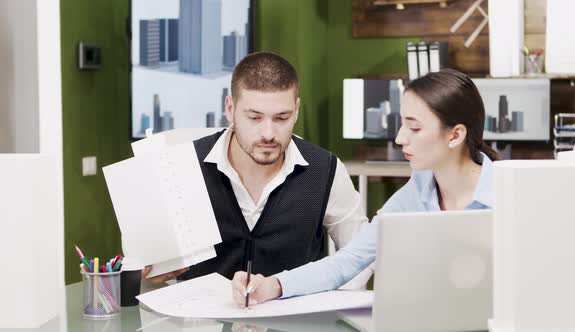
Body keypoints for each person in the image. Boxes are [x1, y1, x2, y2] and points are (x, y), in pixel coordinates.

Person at [231, 68, 499, 306]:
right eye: (402, 123)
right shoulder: (415, 192)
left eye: (414, 128)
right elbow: (348, 261)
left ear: (455, 135)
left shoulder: (510, 196)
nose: (399, 137)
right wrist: (273, 286)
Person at [142, 51, 369, 284]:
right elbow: (147, 259)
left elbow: (361, 257)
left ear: (297, 110)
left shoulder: (325, 170)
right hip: (200, 317)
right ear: (230, 108)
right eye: (254, 118)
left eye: (281, 118)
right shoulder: (183, 165)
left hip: (295, 318)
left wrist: (333, 309)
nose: (268, 134)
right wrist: (150, 268)